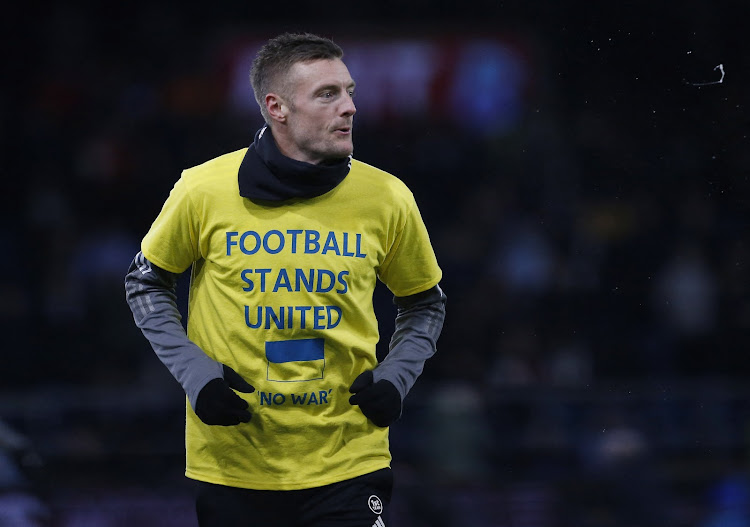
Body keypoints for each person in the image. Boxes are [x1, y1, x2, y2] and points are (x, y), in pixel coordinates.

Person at [124, 32, 446, 527]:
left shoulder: (387, 196)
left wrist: (397, 376)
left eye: (349, 91)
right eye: (327, 94)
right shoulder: (202, 189)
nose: (350, 108)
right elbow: (145, 284)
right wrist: (195, 375)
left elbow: (425, 303)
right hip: (233, 463)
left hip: (348, 462)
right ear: (277, 107)